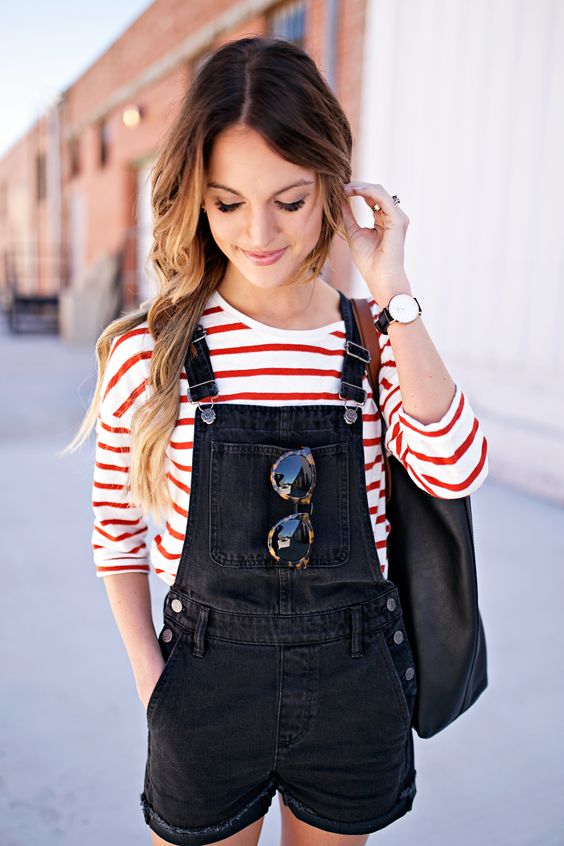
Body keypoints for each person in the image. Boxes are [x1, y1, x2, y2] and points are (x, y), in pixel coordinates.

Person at [65, 35, 489, 846]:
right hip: (204, 693)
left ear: (332, 186)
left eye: (289, 201)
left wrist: (392, 289)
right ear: (194, 198)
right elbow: (115, 538)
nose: (258, 232)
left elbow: (454, 466)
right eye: (227, 203)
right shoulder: (146, 353)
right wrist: (158, 689)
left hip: (353, 687)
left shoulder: (374, 339)